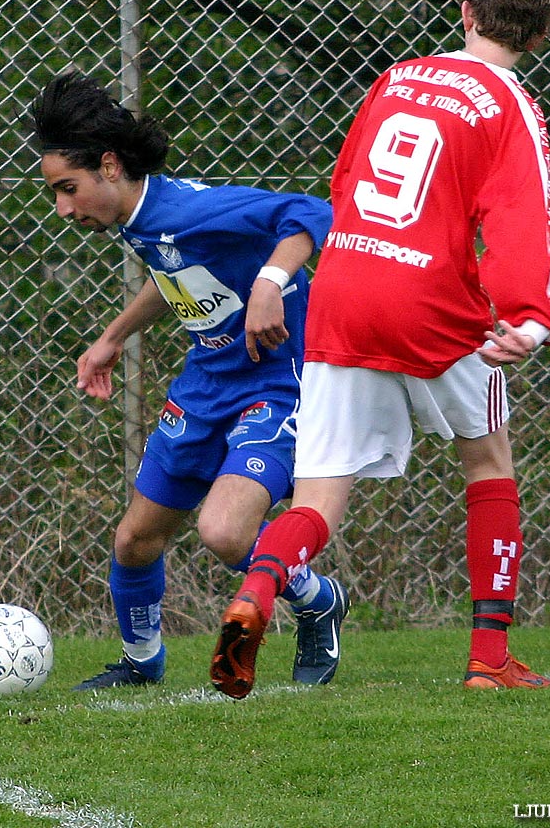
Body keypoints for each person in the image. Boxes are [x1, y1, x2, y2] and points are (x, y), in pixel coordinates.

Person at [210, 0, 550, 698]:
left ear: (465, 13)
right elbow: (517, 218)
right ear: (537, 39)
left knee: (316, 499)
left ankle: (258, 595)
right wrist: (527, 318)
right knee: (487, 463)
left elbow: (344, 182)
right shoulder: (510, 108)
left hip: (344, 287)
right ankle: (487, 657)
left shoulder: (397, 77)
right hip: (431, 300)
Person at [31, 70, 348, 690]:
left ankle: (318, 599)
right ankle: (143, 665)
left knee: (225, 534)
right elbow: (176, 273)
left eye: (68, 189)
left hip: (274, 383)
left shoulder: (187, 209)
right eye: (55, 194)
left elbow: (312, 213)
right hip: (206, 384)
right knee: (134, 540)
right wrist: (113, 337)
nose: (64, 208)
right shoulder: (142, 218)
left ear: (110, 166)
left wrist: (268, 285)